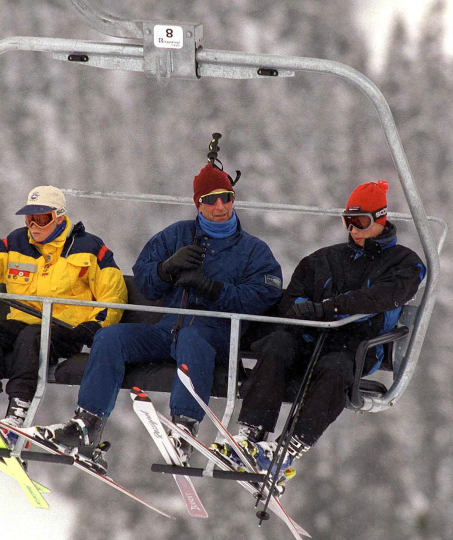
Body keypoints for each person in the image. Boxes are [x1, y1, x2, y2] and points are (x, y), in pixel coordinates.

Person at [38, 162, 283, 473]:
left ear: (233, 199)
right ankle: (88, 422)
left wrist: (213, 290)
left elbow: (264, 295)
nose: (220, 206)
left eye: (226, 197)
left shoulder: (253, 251)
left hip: (215, 335)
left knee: (193, 339)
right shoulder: (177, 235)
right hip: (167, 330)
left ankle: (183, 429)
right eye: (210, 199)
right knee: (110, 338)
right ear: (199, 204)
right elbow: (145, 279)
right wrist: (166, 269)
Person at [213, 179, 426, 491]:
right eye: (348, 221)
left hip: (357, 346)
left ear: (381, 218)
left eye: (361, 222)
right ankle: (251, 433)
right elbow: (291, 298)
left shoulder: (406, 264)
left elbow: (381, 298)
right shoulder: (324, 259)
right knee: (277, 344)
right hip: (310, 338)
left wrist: (327, 308)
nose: (353, 230)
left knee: (336, 368)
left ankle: (287, 449)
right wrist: (303, 311)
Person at [0, 185, 127, 430]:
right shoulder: (16, 243)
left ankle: (17, 412)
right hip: (22, 323)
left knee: (32, 337)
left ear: (59, 217)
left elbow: (113, 295)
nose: (33, 225)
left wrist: (95, 325)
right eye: (29, 218)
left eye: (41, 218)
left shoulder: (88, 249)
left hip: (65, 330)